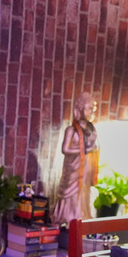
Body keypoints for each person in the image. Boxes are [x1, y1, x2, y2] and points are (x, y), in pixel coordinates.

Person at [51, 92, 100, 225]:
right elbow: (65, 149)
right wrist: (85, 150)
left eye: (93, 110)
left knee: (84, 194)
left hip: (85, 169)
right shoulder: (71, 130)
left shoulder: (91, 130)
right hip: (73, 169)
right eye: (89, 108)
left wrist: (93, 149)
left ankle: (82, 215)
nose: (92, 112)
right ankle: (68, 218)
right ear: (80, 108)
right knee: (70, 194)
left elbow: (95, 146)